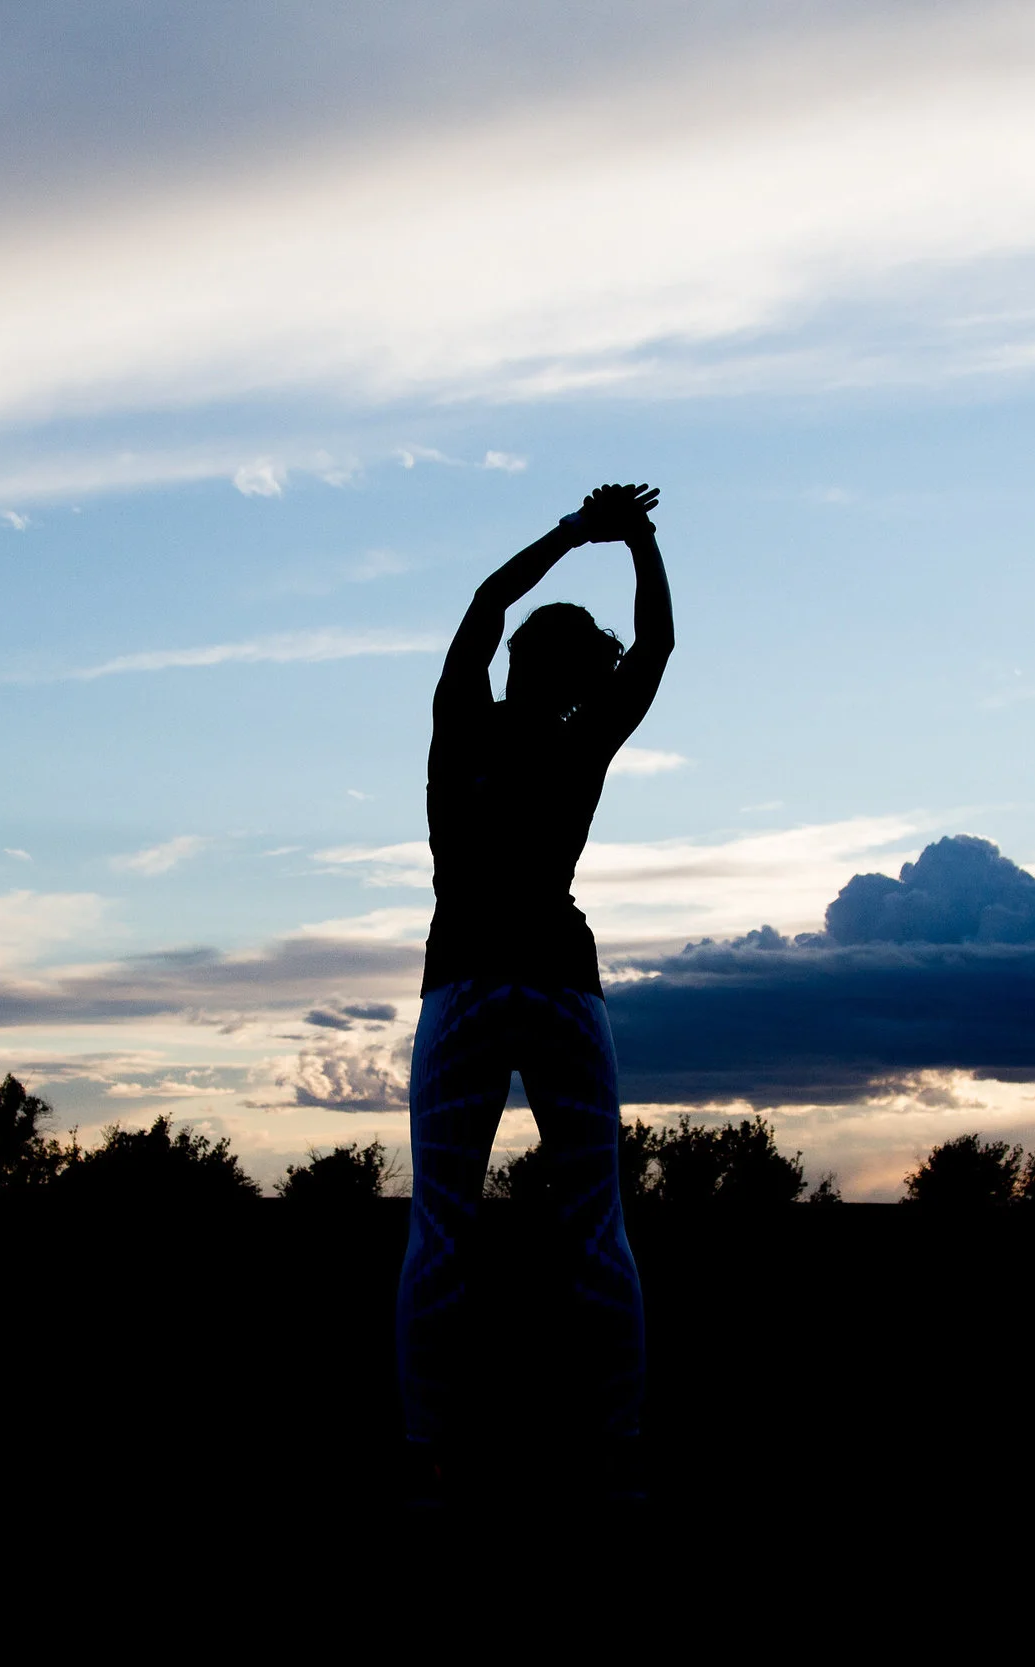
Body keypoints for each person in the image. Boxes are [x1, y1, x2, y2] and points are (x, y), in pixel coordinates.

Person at [396, 482, 673, 1504]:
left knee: (441, 1220)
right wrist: (635, 541)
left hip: (465, 980)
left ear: (523, 664)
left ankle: (428, 1446)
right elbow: (654, 651)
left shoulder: (463, 723)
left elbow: (484, 600)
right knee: (595, 1220)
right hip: (556, 983)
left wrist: (574, 533)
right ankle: (617, 1441)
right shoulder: (577, 739)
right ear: (575, 676)